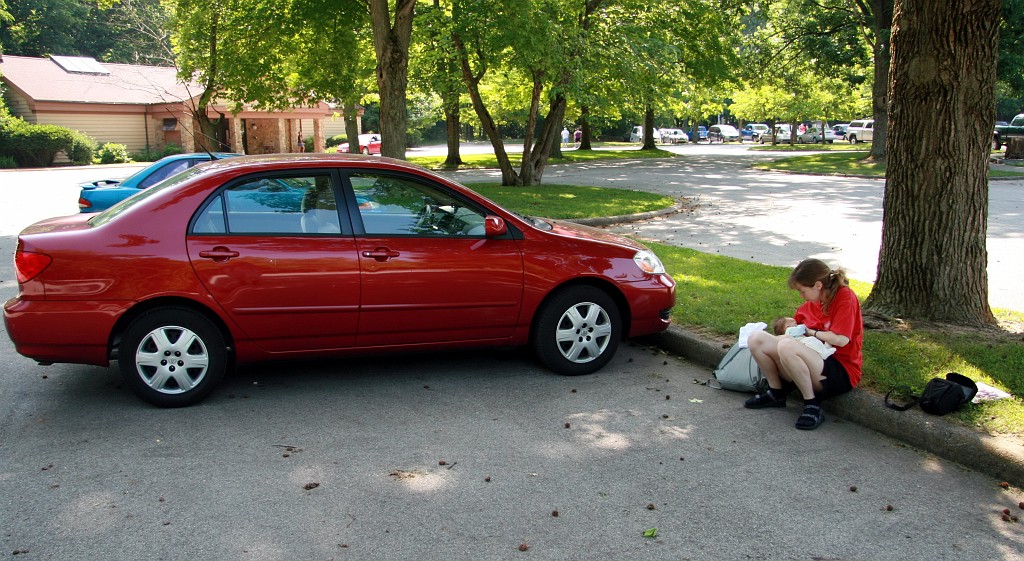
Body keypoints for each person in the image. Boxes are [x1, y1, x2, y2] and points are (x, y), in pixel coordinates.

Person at [744, 259, 863, 430]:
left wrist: (810, 332)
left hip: (840, 368)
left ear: (817, 285)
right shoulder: (811, 303)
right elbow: (794, 330)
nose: (801, 296)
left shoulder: (845, 298)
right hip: (812, 360)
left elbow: (841, 339)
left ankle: (812, 404)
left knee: (786, 346)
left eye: (802, 291)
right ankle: (776, 392)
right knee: (757, 338)